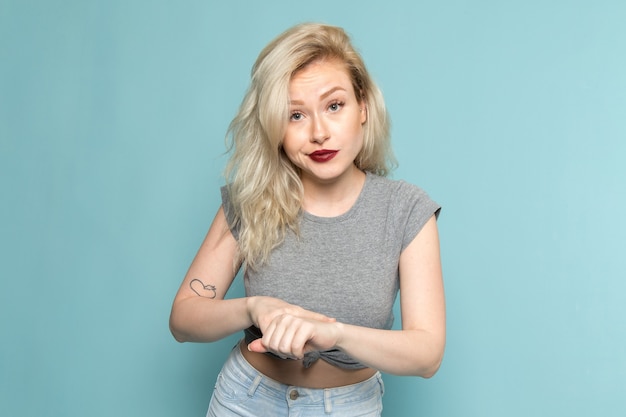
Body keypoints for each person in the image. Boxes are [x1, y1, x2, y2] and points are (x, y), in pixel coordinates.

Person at [169, 22, 445, 416]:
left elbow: (427, 354)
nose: (318, 132)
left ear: (363, 106)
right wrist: (254, 309)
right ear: (274, 127)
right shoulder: (251, 201)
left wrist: (334, 334)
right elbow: (183, 319)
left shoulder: (405, 210)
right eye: (295, 115)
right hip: (244, 400)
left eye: (334, 106)